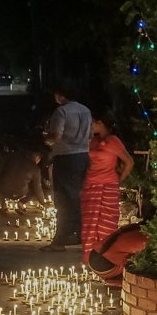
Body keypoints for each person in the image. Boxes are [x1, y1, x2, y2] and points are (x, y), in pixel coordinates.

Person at [41, 81, 92, 252]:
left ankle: (63, 238)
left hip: (66, 157)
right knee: (77, 196)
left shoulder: (61, 111)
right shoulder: (85, 110)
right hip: (84, 156)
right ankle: (80, 234)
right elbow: (90, 135)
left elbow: (55, 136)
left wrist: (46, 139)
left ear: (60, 95)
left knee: (64, 199)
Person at [81, 110, 134, 260]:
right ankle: (89, 257)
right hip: (90, 185)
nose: (90, 125)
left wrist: (119, 179)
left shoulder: (113, 141)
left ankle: (105, 257)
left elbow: (129, 162)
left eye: (92, 122)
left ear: (100, 123)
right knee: (89, 224)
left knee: (106, 224)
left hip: (108, 187)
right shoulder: (93, 140)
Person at [0, 147, 46, 214]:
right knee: (33, 189)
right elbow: (38, 187)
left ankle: (3, 205)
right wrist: (43, 203)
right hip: (19, 193)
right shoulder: (35, 168)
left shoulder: (13, 159)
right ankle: (21, 203)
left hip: (2, 191)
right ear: (37, 158)